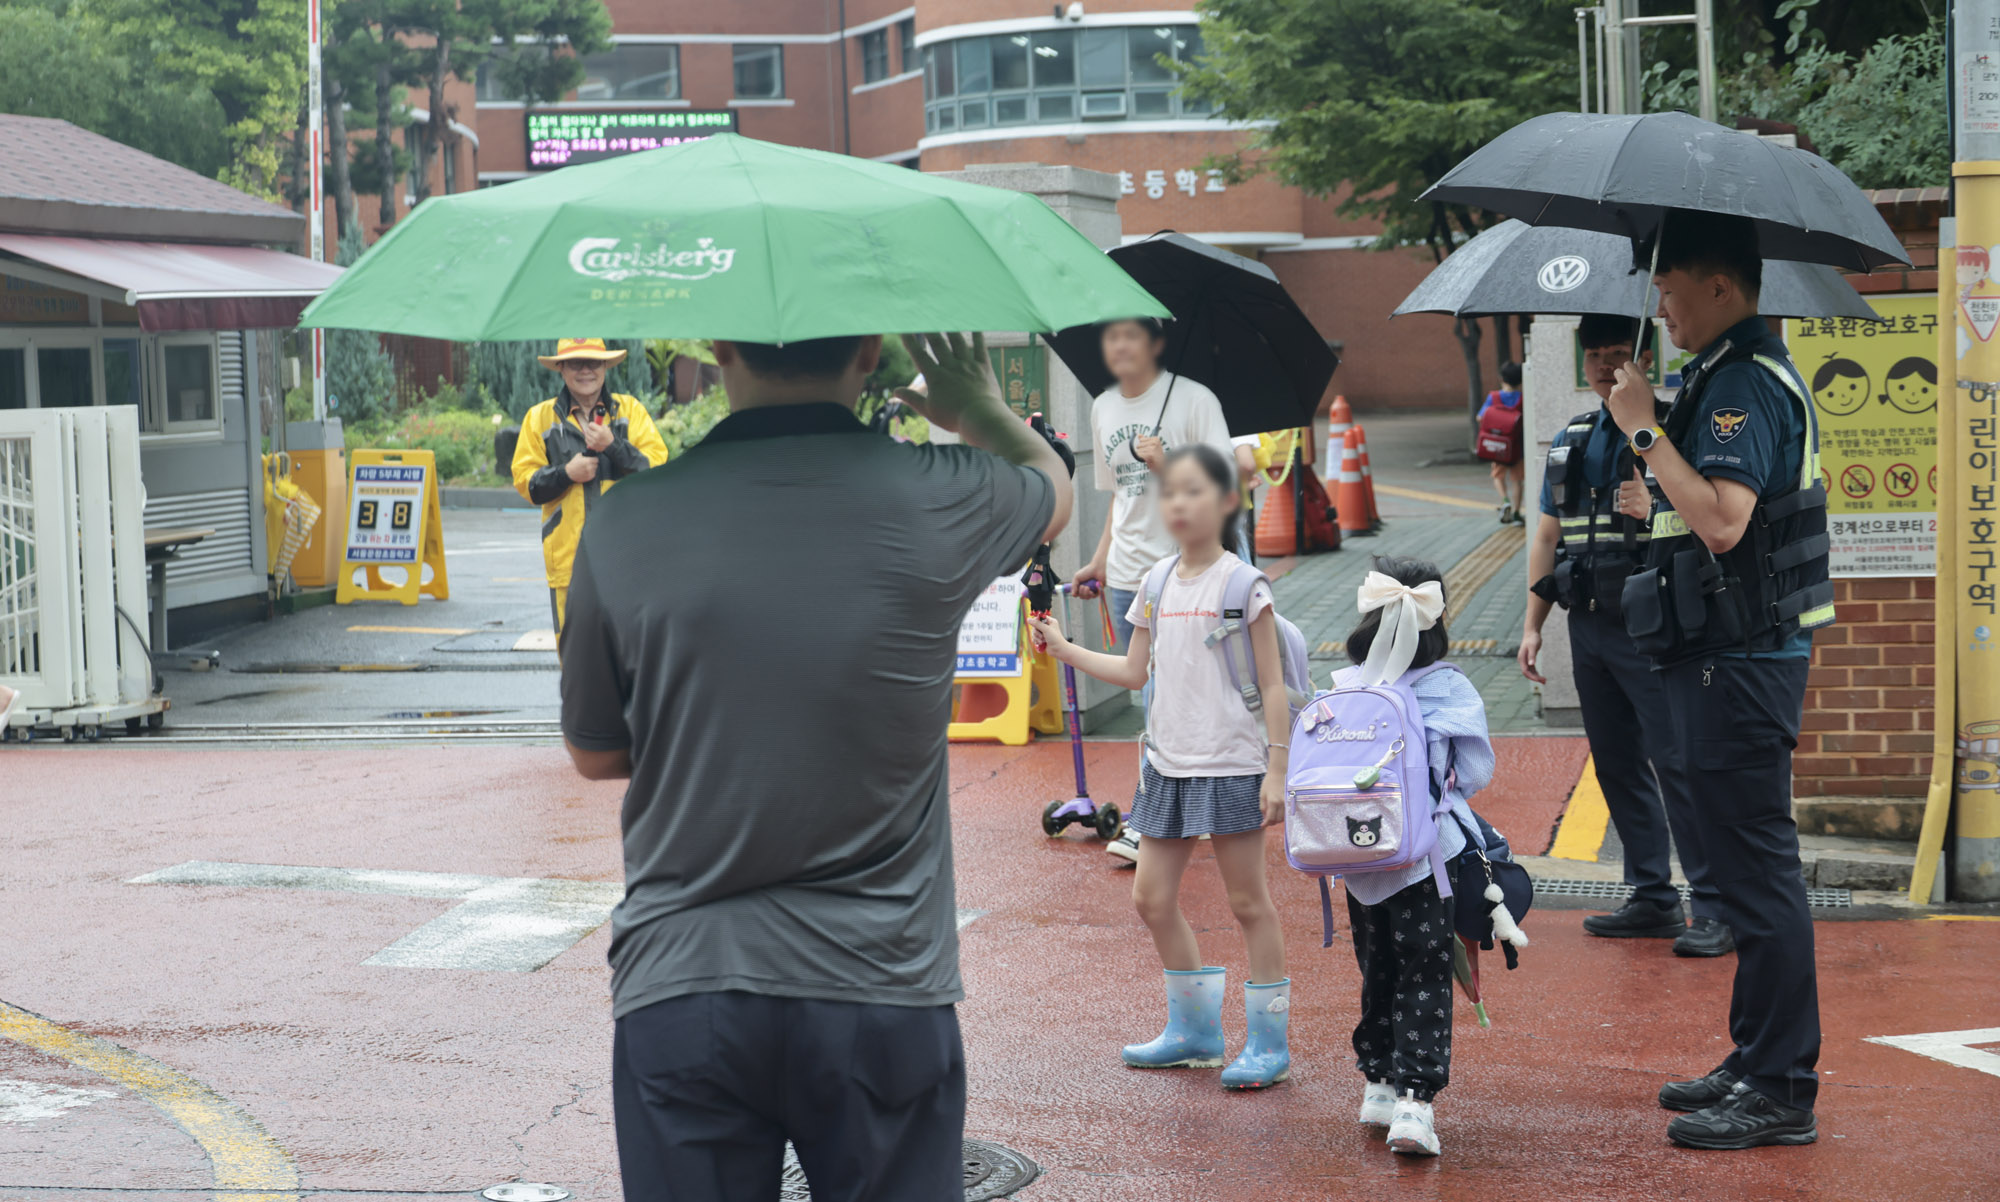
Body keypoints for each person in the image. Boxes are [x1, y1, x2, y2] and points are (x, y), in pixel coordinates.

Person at [559, 330, 1071, 1200]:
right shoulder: (938, 496)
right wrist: (975, 409)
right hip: (881, 987)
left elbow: (596, 752)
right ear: (868, 354)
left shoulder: (626, 518)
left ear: (722, 349)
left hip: (685, 981)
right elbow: (1052, 493)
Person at [1605, 212, 1831, 1150]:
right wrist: (1650, 442)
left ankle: (1781, 1086)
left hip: (1744, 664)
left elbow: (1727, 522)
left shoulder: (1744, 383)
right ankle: (1755, 1056)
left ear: (1722, 289)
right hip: (1719, 659)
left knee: (1758, 875)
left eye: (1670, 288)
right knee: (1737, 878)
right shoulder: (1716, 376)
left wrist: (1645, 431)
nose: (1659, 305)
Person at [1028, 444, 1291, 1091]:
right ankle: (1197, 1034)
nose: (1177, 503)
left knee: (1248, 903)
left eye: (1193, 491)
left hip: (1231, 765)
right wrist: (1064, 648)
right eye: (1169, 492)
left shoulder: (1242, 585)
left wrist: (1277, 770)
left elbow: (1274, 684)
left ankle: (1269, 1044)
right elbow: (1133, 672)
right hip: (1165, 767)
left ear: (1228, 501)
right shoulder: (1155, 582)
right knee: (1149, 897)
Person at [1519, 315, 1733, 958]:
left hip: (1660, 623)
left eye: (1620, 354)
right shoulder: (1571, 439)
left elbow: (1719, 520)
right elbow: (1547, 536)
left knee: (1678, 762)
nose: (1607, 367)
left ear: (1645, 357)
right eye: (1596, 356)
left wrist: (1657, 502)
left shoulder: (1672, 430)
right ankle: (1652, 895)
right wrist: (1532, 625)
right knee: (1615, 761)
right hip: (1589, 623)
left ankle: (1715, 906)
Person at [1333, 557, 1494, 1159]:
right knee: (1425, 967)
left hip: (1355, 854)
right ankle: (1415, 1102)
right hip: (1426, 859)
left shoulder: (1347, 686)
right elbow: (1474, 771)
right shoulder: (1448, 687)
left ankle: (1376, 1081)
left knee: (1374, 961)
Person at [1072, 317, 1237, 865]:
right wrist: (1098, 562)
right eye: (1111, 336)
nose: (1119, 346)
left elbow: (1224, 486)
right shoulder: (1102, 407)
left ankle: (1154, 820)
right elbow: (1121, 497)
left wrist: (1167, 464)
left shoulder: (1194, 401)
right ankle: (1176, 811)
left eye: (1131, 335)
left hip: (1186, 572)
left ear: (1155, 342)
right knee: (1150, 698)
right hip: (1126, 576)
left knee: (1177, 698)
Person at [510, 338, 668, 638]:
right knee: (574, 660)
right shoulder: (539, 418)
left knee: (629, 656)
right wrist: (566, 473)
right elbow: (527, 485)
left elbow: (656, 472)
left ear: (605, 366)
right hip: (569, 562)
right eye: (575, 363)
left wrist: (614, 446)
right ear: (561, 369)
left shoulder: (631, 412)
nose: (585, 370)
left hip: (626, 558)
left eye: (593, 362)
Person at [1478, 362, 1527, 523]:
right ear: (1520, 381)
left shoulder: (1494, 397)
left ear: (1501, 379)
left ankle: (1505, 501)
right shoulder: (1523, 397)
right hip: (1518, 448)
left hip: (1498, 447)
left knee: (1498, 476)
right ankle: (1517, 513)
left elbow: (1480, 417)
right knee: (1518, 481)